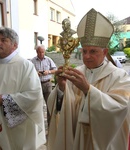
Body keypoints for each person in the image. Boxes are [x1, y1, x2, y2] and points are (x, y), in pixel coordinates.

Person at [47, 8, 130, 150]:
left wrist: (88, 90)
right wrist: (61, 89)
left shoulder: (119, 76)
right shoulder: (76, 73)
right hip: (76, 138)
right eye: (84, 51)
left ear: (104, 52)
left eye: (93, 51)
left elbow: (121, 108)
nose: (86, 56)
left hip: (103, 143)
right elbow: (63, 109)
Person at [0, 27, 46, 150]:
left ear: (14, 45)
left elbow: (34, 95)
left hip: (13, 126)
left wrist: (5, 100)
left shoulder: (25, 66)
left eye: (3, 40)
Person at [31, 45, 57, 126]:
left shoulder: (48, 60)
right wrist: (36, 73)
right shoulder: (32, 61)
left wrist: (48, 72)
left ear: (44, 52)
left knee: (49, 103)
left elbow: (55, 69)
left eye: (42, 52)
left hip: (47, 83)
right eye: (39, 52)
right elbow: (29, 72)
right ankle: (38, 124)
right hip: (37, 85)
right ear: (36, 52)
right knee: (37, 104)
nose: (41, 54)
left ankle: (50, 125)